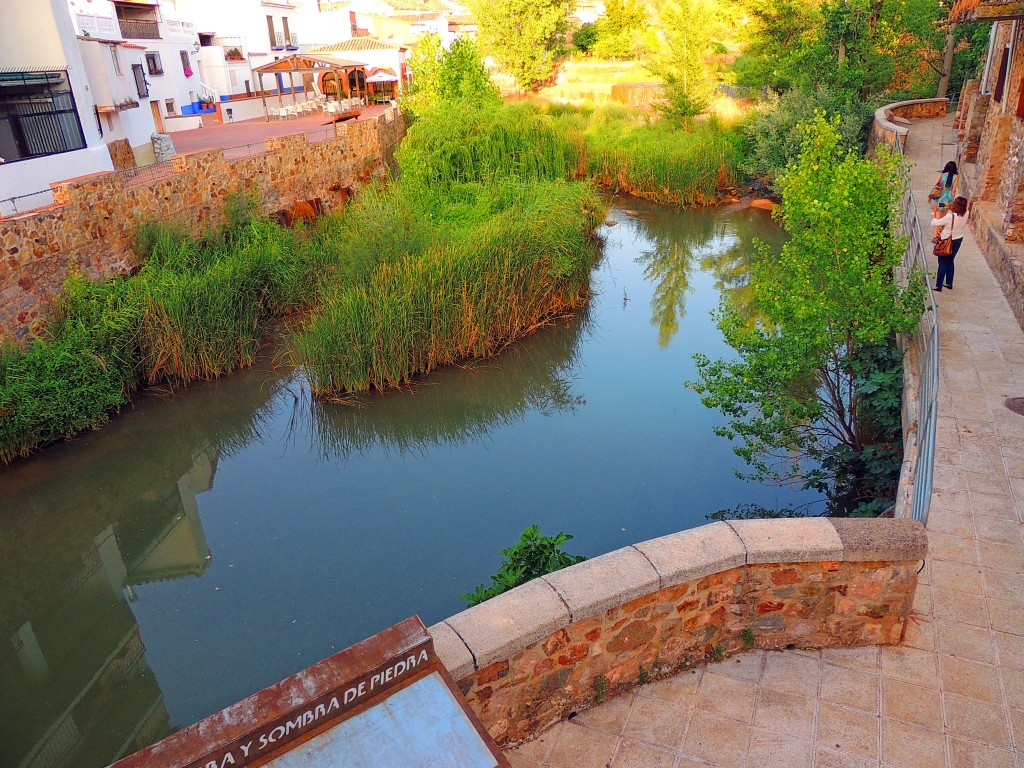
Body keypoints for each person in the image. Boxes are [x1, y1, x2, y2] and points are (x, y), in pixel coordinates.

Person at [930, 196, 968, 292]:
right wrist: (949, 207)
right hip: (958, 239)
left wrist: (934, 212)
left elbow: (934, 223)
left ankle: (938, 286)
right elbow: (957, 213)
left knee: (942, 263)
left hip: (947, 240)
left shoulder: (949, 217)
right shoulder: (966, 213)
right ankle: (949, 283)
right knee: (950, 261)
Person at [931, 161, 959, 239]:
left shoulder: (942, 174)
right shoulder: (956, 177)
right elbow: (954, 190)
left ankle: (935, 236)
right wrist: (952, 200)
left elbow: (935, 184)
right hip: (948, 198)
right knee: (942, 218)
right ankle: (938, 235)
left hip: (939, 197)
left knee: (937, 218)